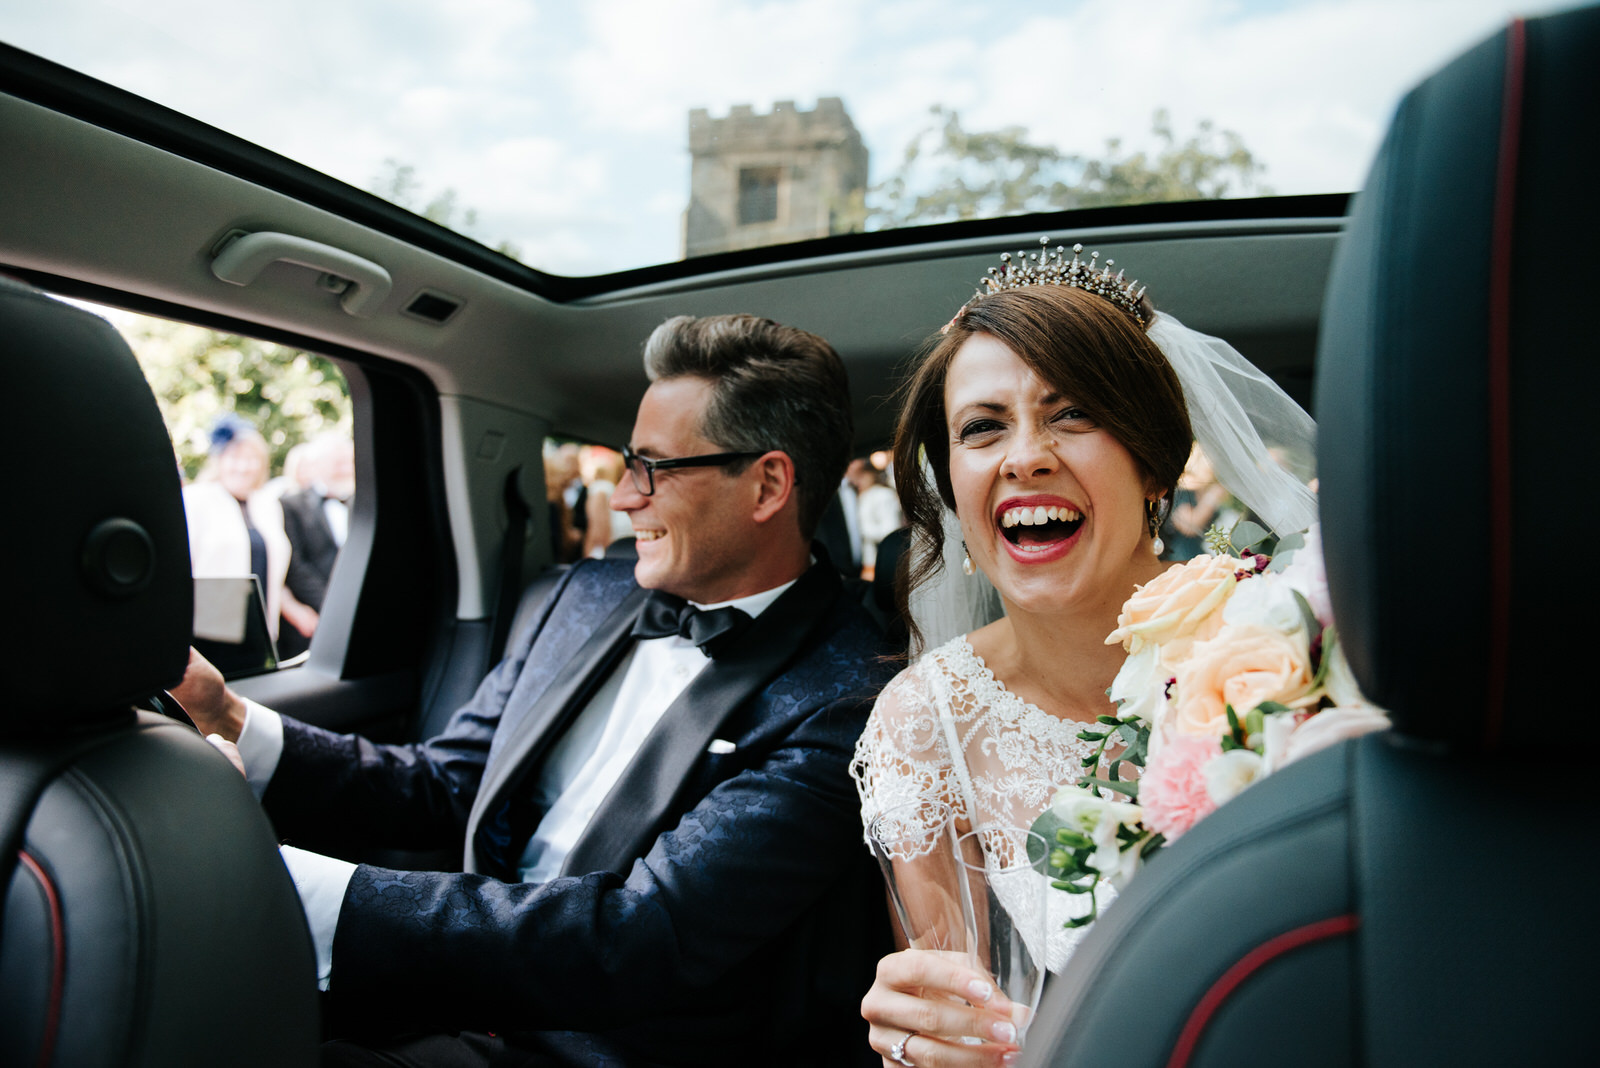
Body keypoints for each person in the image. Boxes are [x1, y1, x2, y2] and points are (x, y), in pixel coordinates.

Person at [174, 313, 898, 1067]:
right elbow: (446, 781)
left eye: (652, 467)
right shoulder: (583, 593)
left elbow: (637, 936)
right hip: (447, 995)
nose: (621, 498)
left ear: (768, 484)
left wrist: (279, 883)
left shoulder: (851, 697)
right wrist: (228, 716)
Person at [850, 241, 1317, 1067]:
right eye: (983, 428)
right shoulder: (926, 725)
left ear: (1154, 461)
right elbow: (971, 1020)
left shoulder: (1288, 639)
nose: (1025, 456)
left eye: (1073, 414)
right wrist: (923, 1043)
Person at [182, 413, 291, 640]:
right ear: (219, 460)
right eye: (234, 457)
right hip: (209, 630)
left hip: (261, 627)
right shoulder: (196, 499)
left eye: (252, 458)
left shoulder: (268, 505)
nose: (243, 466)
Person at [278, 431, 355, 657]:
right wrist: (334, 610)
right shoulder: (290, 506)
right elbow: (296, 567)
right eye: (336, 462)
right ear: (316, 465)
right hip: (313, 625)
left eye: (347, 461)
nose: (344, 468)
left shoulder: (366, 504)